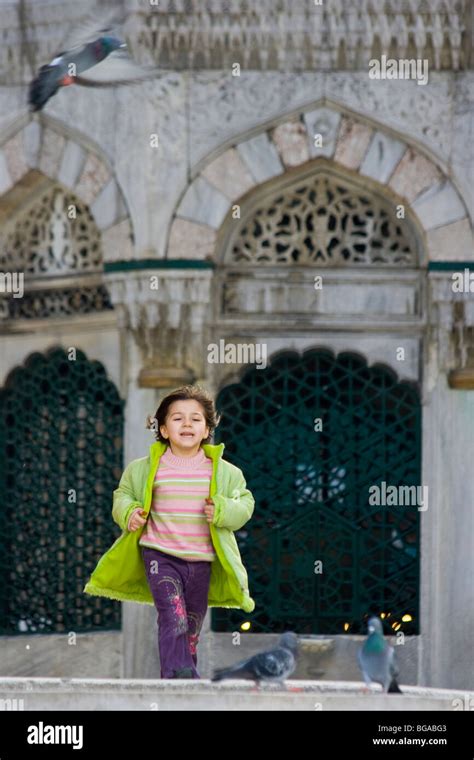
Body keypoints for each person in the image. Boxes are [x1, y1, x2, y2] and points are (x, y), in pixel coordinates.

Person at [83, 384, 255, 679]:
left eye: (195, 419)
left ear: (206, 430)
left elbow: (246, 503)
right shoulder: (145, 468)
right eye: (177, 418)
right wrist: (129, 513)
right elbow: (122, 495)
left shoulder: (225, 472)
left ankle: (178, 682)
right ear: (163, 429)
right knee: (173, 617)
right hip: (160, 557)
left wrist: (223, 510)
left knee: (191, 626)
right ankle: (179, 674)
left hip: (201, 561)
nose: (187, 424)